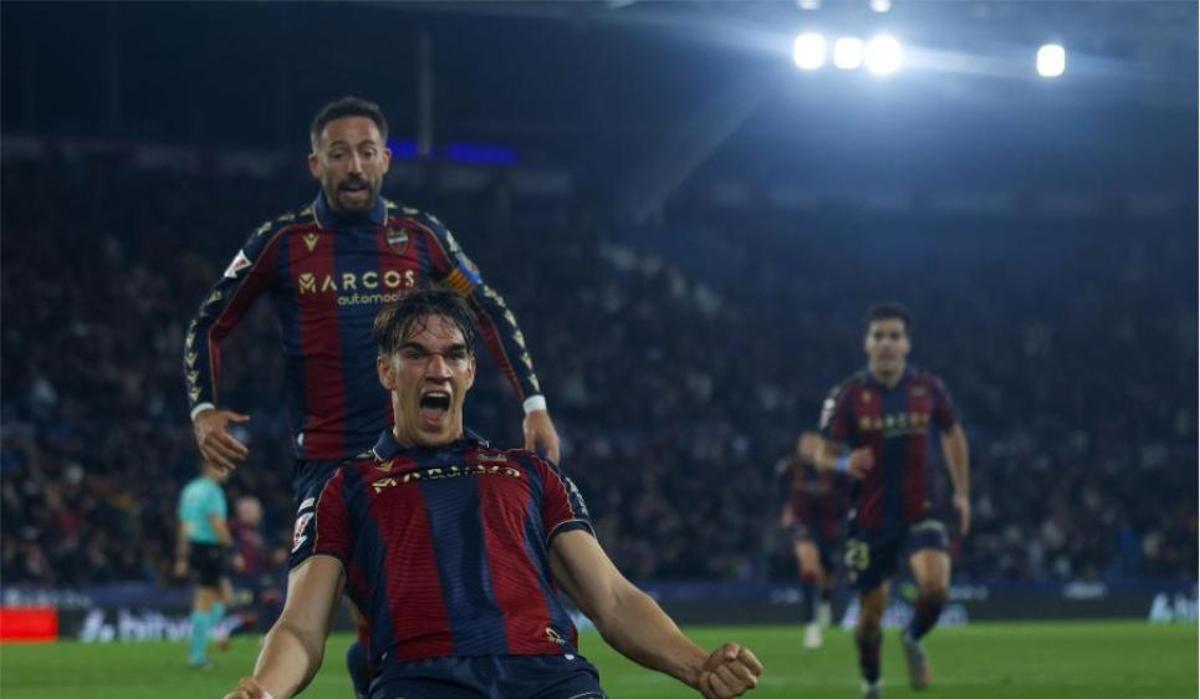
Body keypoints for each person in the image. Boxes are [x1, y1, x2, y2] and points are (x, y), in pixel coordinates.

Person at [183, 96, 560, 694]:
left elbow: (485, 307)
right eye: (338, 154)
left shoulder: (421, 238)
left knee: (408, 622)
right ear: (316, 164)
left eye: (365, 152)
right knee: (311, 611)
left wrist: (533, 403)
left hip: (418, 459)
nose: (353, 166)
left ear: (385, 160)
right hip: (329, 464)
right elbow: (209, 322)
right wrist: (203, 410)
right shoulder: (280, 243)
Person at [220, 287, 763, 699]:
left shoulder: (531, 474)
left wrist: (699, 665)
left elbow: (613, 599)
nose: (438, 368)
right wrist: (266, 689)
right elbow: (301, 625)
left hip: (551, 681)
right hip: (423, 685)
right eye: (416, 354)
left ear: (471, 371)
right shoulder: (346, 487)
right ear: (386, 371)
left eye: (453, 354)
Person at [809, 303, 970, 699]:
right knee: (869, 619)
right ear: (866, 343)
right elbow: (821, 452)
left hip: (921, 512)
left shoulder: (929, 389)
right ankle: (872, 683)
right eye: (879, 335)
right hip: (869, 520)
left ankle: (913, 638)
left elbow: (952, 434)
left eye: (894, 336)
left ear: (907, 344)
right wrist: (846, 460)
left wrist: (962, 493)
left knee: (935, 588)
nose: (886, 344)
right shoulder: (848, 395)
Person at [777, 431, 851, 650]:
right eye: (805, 444)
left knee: (828, 570)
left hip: (830, 526)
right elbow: (781, 491)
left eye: (813, 444)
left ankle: (826, 599)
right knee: (808, 564)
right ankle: (811, 625)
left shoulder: (836, 470)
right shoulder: (791, 469)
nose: (809, 448)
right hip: (804, 524)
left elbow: (848, 495)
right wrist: (786, 510)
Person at [175, 461, 234, 669]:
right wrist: (232, 548)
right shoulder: (212, 491)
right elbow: (216, 522)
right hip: (210, 548)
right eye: (224, 467)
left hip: (195, 548)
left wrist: (182, 557)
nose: (227, 471)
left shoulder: (190, 489)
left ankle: (201, 642)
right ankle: (197, 654)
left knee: (222, 597)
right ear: (210, 467)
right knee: (207, 598)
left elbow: (184, 525)